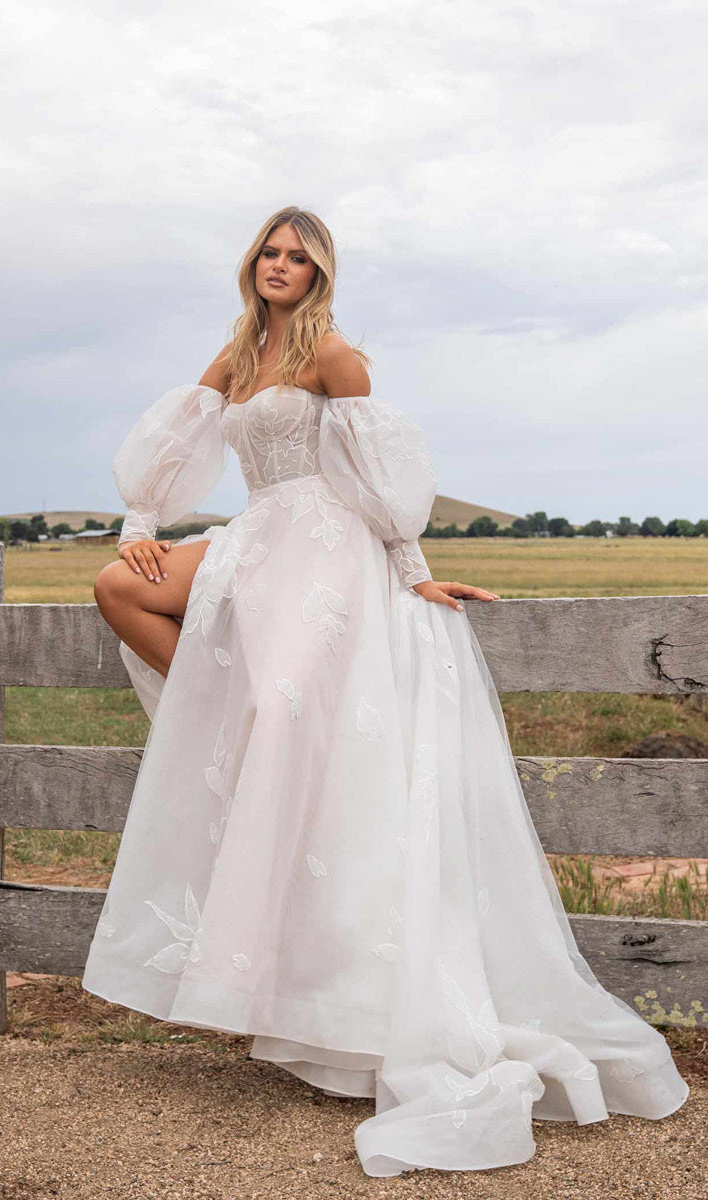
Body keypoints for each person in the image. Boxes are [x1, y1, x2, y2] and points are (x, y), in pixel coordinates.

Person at [81, 206, 689, 1178]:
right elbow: (171, 450)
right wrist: (139, 521)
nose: (280, 266)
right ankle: (232, 712)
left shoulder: (337, 357)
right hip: (256, 541)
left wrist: (411, 570)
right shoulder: (237, 355)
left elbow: (376, 477)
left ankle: (267, 735)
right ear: (253, 266)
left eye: (299, 256)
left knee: (285, 706)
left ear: (320, 273)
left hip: (328, 552)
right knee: (120, 587)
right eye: (269, 253)